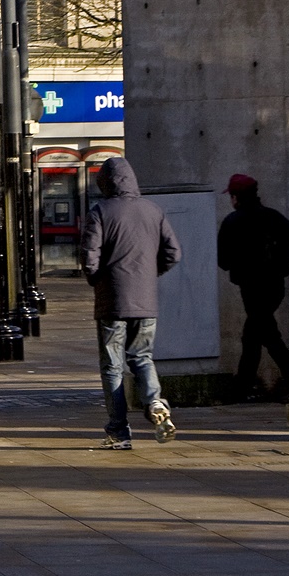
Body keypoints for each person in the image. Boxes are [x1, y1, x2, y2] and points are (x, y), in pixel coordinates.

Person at [81, 156, 182, 449]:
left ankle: (118, 432)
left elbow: (89, 257)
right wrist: (151, 274)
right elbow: (173, 253)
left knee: (113, 367)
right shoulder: (153, 210)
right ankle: (154, 402)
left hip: (112, 300)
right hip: (145, 299)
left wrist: (98, 280)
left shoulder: (100, 211)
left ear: (105, 182)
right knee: (142, 357)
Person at [217, 173, 289, 401]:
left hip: (250, 288)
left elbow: (223, 261)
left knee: (261, 334)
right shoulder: (276, 218)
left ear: (235, 197)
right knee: (257, 333)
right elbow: (288, 244)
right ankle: (246, 386)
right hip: (275, 286)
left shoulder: (232, 222)